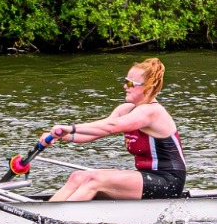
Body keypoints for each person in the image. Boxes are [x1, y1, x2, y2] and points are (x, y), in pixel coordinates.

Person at [44, 58, 187, 201]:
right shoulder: (124, 110)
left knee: (94, 180)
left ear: (149, 87)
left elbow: (110, 127)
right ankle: (47, 214)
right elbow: (93, 134)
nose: (125, 86)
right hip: (145, 177)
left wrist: (70, 128)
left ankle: (60, 218)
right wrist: (60, 136)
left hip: (168, 181)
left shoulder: (152, 112)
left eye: (131, 83)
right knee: (77, 177)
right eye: (126, 81)